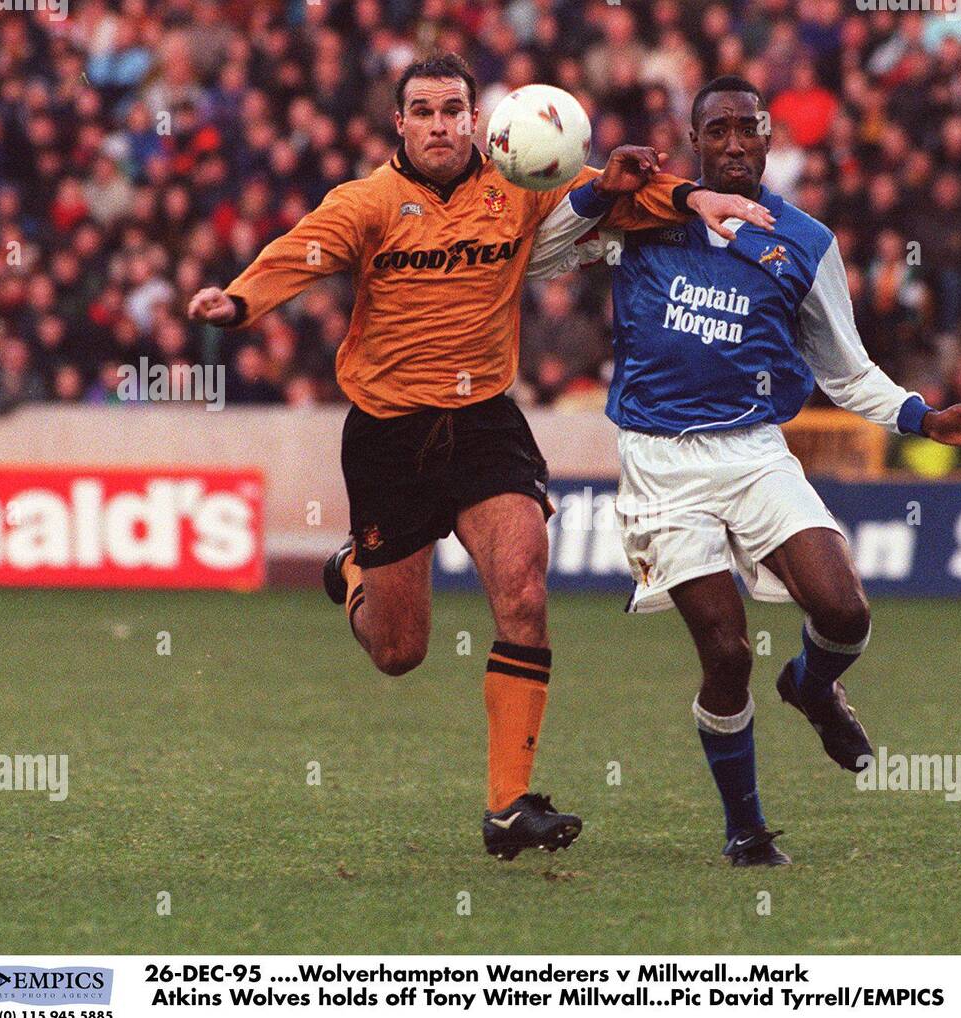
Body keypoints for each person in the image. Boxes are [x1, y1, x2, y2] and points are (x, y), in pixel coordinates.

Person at [187, 54, 771, 860]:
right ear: (399, 123)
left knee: (525, 592)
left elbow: (622, 194)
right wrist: (239, 299)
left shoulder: (520, 179)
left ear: (475, 118)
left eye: (452, 109)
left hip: (485, 422)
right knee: (400, 652)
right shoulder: (366, 203)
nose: (438, 124)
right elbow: (302, 252)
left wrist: (689, 193)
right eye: (421, 110)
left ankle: (508, 806)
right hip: (391, 434)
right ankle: (354, 569)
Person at [540, 76, 961, 865]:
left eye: (749, 128)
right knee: (727, 654)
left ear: (770, 140)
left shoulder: (805, 242)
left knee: (845, 611)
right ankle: (746, 829)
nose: (735, 143)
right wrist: (597, 192)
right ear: (693, 141)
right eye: (718, 130)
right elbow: (537, 261)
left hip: (757, 449)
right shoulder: (645, 214)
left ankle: (810, 684)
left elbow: (846, 367)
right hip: (660, 462)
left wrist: (924, 417)